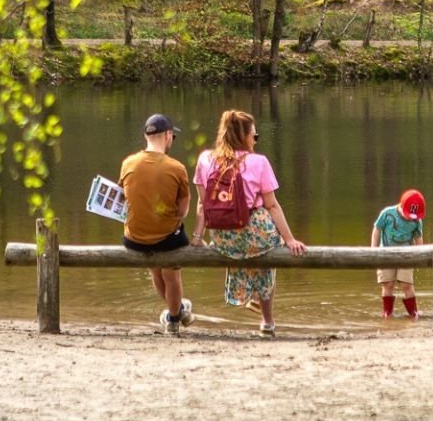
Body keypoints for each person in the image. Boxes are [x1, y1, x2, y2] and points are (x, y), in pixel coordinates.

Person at [192, 110, 306, 336]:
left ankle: (249, 295)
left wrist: (197, 237)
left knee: (249, 247)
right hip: (254, 234)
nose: (255, 140)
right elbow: (272, 206)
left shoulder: (205, 159)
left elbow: (202, 203)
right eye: (254, 136)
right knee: (269, 246)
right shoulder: (259, 162)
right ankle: (267, 320)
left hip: (223, 237)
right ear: (244, 136)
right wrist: (289, 239)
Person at [119, 114, 194, 333]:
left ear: (146, 136)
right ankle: (173, 319)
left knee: (156, 271)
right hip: (166, 239)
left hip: (134, 239)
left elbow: (124, 198)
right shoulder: (177, 167)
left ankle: (178, 310)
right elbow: (182, 211)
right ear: (168, 135)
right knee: (171, 274)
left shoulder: (127, 163)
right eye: (173, 137)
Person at [372, 189, 427, 319]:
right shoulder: (387, 214)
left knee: (406, 284)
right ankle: (387, 313)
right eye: (408, 214)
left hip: (407, 255)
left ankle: (413, 312)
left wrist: (420, 254)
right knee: (388, 284)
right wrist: (373, 250)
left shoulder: (416, 221)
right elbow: (377, 229)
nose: (410, 218)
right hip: (385, 253)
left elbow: (418, 237)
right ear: (401, 207)